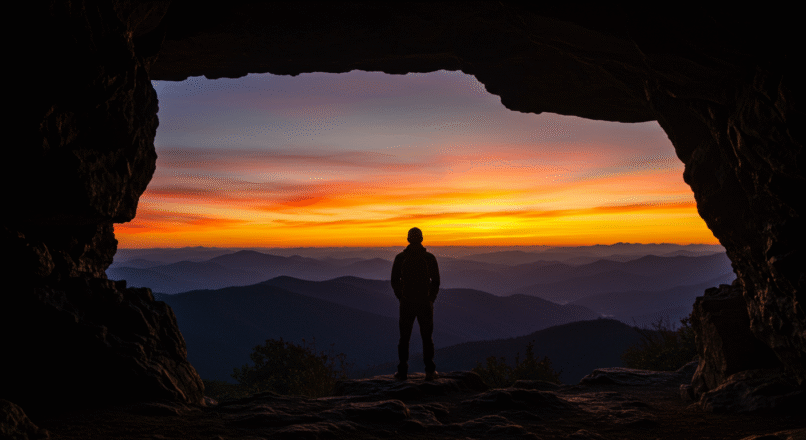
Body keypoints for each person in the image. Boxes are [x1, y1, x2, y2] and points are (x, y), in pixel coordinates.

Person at [390, 227, 441, 381]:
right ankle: (430, 371)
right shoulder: (429, 258)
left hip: (407, 303)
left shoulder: (400, 258)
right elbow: (436, 281)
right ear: (421, 239)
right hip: (425, 303)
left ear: (408, 239)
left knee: (404, 338)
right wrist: (431, 298)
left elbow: (394, 281)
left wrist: (402, 297)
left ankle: (403, 371)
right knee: (427, 338)